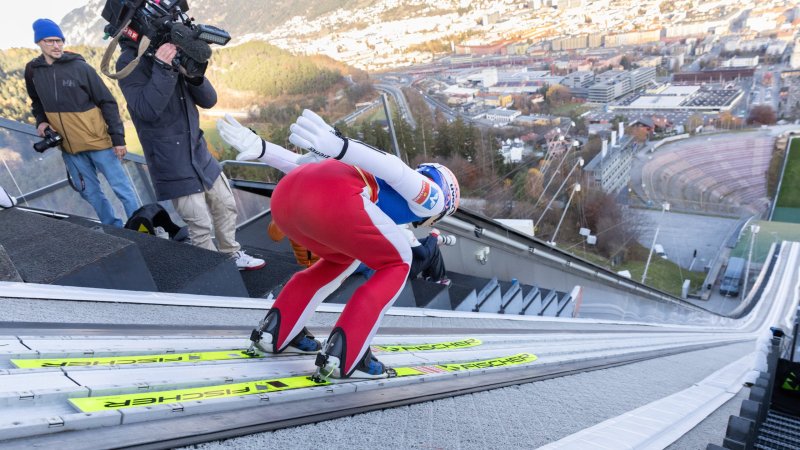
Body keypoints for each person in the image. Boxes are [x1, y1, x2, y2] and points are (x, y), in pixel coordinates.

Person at [217, 110, 460, 380]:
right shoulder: (434, 197)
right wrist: (342, 146)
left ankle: (277, 331)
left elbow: (302, 167)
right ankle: (346, 355)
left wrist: (263, 149)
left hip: (286, 200)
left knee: (339, 260)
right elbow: (396, 168)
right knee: (399, 262)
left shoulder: (372, 180)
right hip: (336, 202)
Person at [115, 39, 264, 270]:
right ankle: (216, 271)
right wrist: (162, 67)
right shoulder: (129, 61)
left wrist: (194, 75)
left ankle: (231, 254)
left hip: (197, 149)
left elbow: (209, 100)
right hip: (170, 158)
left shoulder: (175, 53)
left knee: (225, 204)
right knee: (200, 224)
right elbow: (147, 110)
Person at [24, 18, 139, 228]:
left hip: (99, 143)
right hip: (70, 149)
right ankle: (115, 230)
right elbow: (37, 102)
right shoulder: (32, 70)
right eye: (50, 41)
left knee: (123, 190)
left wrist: (118, 139)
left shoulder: (80, 67)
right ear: (39, 42)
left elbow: (107, 102)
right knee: (91, 194)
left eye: (59, 40)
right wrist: (41, 121)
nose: (56, 45)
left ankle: (142, 230)